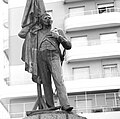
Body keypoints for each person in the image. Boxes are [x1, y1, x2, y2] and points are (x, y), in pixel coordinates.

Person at [36, 13, 73, 111]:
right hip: (41, 58)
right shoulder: (37, 33)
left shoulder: (58, 31)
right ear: (41, 21)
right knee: (46, 83)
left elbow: (68, 46)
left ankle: (65, 105)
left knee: (59, 81)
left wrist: (58, 37)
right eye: (45, 18)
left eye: (49, 17)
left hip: (54, 56)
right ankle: (50, 107)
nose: (48, 19)